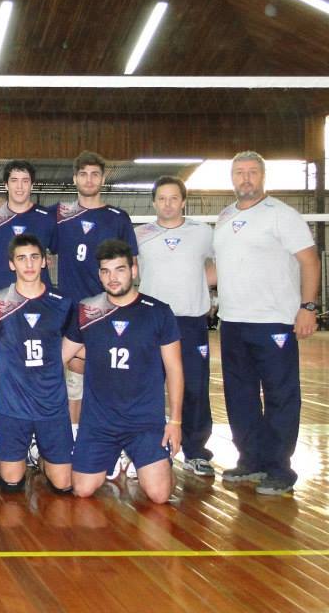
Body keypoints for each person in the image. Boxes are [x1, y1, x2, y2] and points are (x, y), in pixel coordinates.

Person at [213, 151, 319, 496]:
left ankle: (279, 468)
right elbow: (219, 269)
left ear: (263, 177)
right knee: (240, 395)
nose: (246, 178)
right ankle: (251, 460)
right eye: (239, 172)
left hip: (274, 321)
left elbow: (310, 260)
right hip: (232, 322)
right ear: (232, 178)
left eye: (252, 172)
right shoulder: (225, 216)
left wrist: (307, 307)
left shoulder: (282, 215)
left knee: (280, 395)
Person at [61, 239, 183, 504]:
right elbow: (61, 357)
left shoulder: (158, 312)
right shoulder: (87, 310)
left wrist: (175, 422)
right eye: (105, 271)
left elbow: (174, 369)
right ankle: (113, 456)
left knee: (159, 495)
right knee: (82, 489)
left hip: (144, 422)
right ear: (99, 274)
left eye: (119, 270)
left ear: (134, 270)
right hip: (99, 422)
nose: (112, 278)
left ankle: (158, 462)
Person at [0, 234, 74, 494]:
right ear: (12, 264)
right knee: (11, 483)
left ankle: (42, 455)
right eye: (21, 258)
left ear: (44, 261)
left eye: (34, 257)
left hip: (52, 407)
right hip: (12, 407)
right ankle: (14, 455)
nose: (29, 264)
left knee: (64, 484)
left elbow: (78, 344)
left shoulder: (62, 303)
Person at [135, 176, 216, 477]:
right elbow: (131, 269)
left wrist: (199, 283)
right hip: (151, 322)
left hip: (190, 322)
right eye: (162, 198)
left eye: (173, 198)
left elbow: (222, 262)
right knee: (149, 388)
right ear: (154, 202)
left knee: (195, 386)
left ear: (183, 201)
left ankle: (196, 452)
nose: (167, 204)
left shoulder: (203, 233)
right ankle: (150, 451)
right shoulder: (140, 235)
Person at [53, 151, 138, 429]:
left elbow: (132, 267)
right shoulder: (60, 214)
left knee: (109, 372)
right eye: (83, 174)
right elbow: (25, 212)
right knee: (74, 371)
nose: (89, 180)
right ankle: (74, 436)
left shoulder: (118, 218)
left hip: (108, 310)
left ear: (103, 178)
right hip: (71, 310)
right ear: (74, 178)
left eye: (95, 174)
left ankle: (111, 434)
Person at [0, 160, 57, 294]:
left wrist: (44, 256)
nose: (20, 186)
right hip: (2, 297)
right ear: (6, 185)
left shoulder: (47, 218)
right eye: (14, 180)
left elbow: (60, 250)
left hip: (39, 298)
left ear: (32, 185)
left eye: (25, 181)